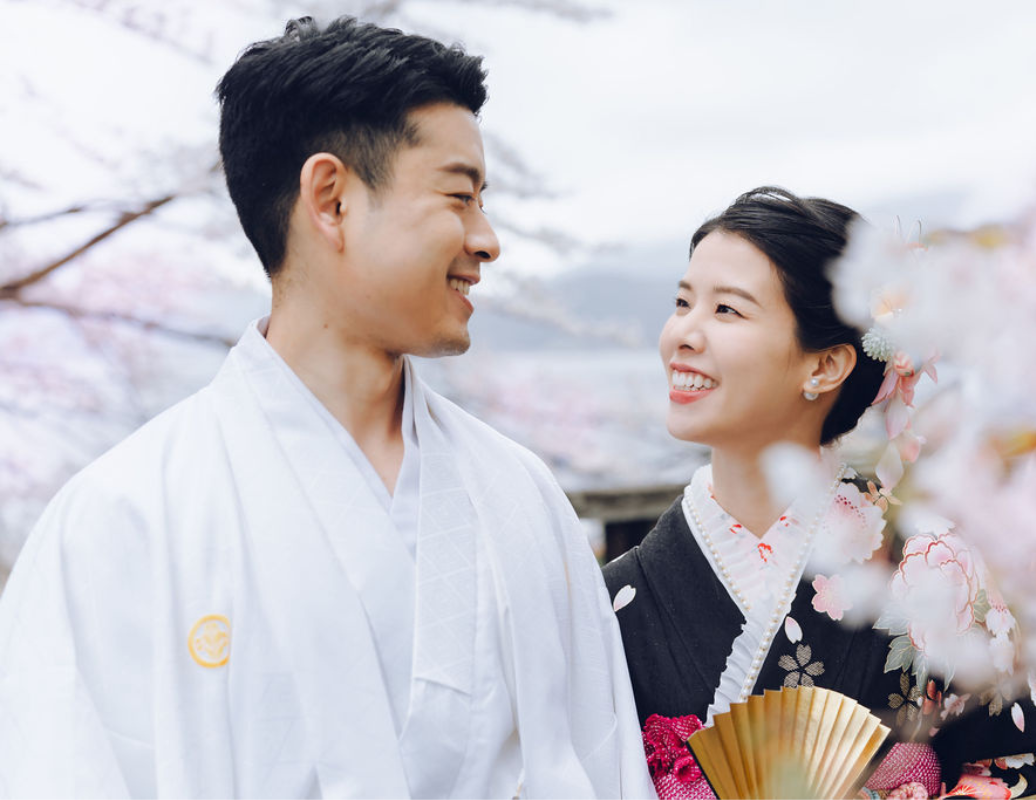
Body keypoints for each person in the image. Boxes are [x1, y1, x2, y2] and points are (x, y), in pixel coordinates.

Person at [0, 17, 653, 798]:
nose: (487, 240)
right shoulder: (123, 517)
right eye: (459, 196)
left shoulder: (520, 493)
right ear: (332, 199)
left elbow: (605, 763)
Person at [603, 187, 1036, 798]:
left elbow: (1028, 766)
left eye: (727, 311)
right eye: (683, 301)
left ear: (825, 365)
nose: (683, 335)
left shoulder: (932, 568)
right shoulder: (619, 598)